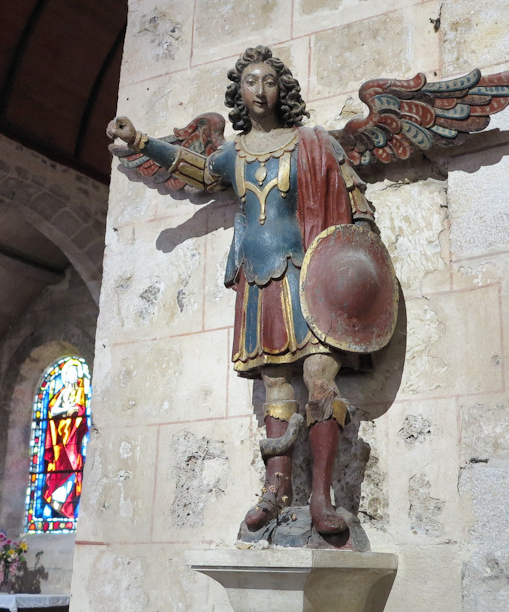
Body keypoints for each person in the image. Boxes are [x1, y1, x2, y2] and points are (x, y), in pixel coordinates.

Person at [107, 45, 377, 535]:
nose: (260, 90)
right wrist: (141, 140)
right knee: (275, 384)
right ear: (239, 92)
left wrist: (360, 259)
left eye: (269, 81)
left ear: (281, 89)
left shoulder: (310, 142)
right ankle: (276, 492)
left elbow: (352, 194)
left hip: (308, 274)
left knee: (320, 378)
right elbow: (197, 169)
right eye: (251, 82)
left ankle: (322, 497)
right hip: (257, 276)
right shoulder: (234, 152)